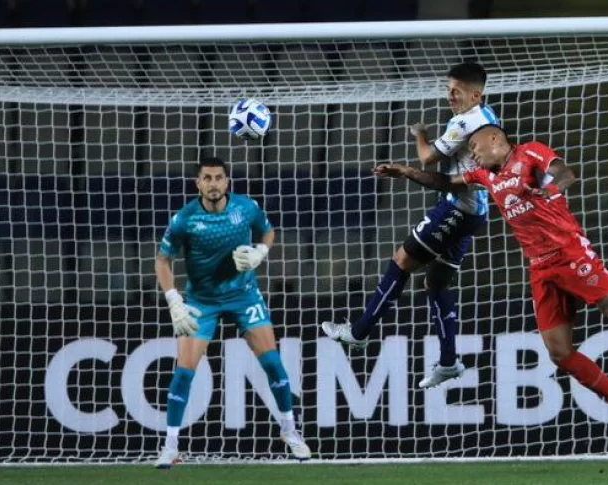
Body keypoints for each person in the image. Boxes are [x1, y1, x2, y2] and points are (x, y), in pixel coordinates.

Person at [375, 124, 608, 418]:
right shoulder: (483, 176)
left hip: (569, 253)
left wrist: (549, 190)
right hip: (540, 268)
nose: (472, 154)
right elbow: (444, 182)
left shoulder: (529, 152)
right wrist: (407, 172)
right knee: (559, 352)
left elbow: (565, 173)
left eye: (474, 146)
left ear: (494, 138)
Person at [323, 62, 500, 389]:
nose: (450, 96)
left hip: (457, 209)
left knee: (402, 260)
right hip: (475, 211)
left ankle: (359, 332)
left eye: (457, 91)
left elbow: (427, 158)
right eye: (448, 89)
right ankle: (448, 362)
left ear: (476, 95)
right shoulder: (489, 116)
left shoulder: (464, 122)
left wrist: (419, 135)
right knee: (436, 282)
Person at [153, 157, 310, 468]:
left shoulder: (246, 208)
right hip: (203, 301)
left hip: (244, 295)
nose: (213, 184)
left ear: (227, 182)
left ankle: (290, 431)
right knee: (184, 372)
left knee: (273, 363)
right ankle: (170, 446)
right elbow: (162, 260)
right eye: (207, 178)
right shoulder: (185, 219)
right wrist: (173, 299)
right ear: (198, 183)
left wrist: (261, 252)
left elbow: (268, 232)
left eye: (218, 178)